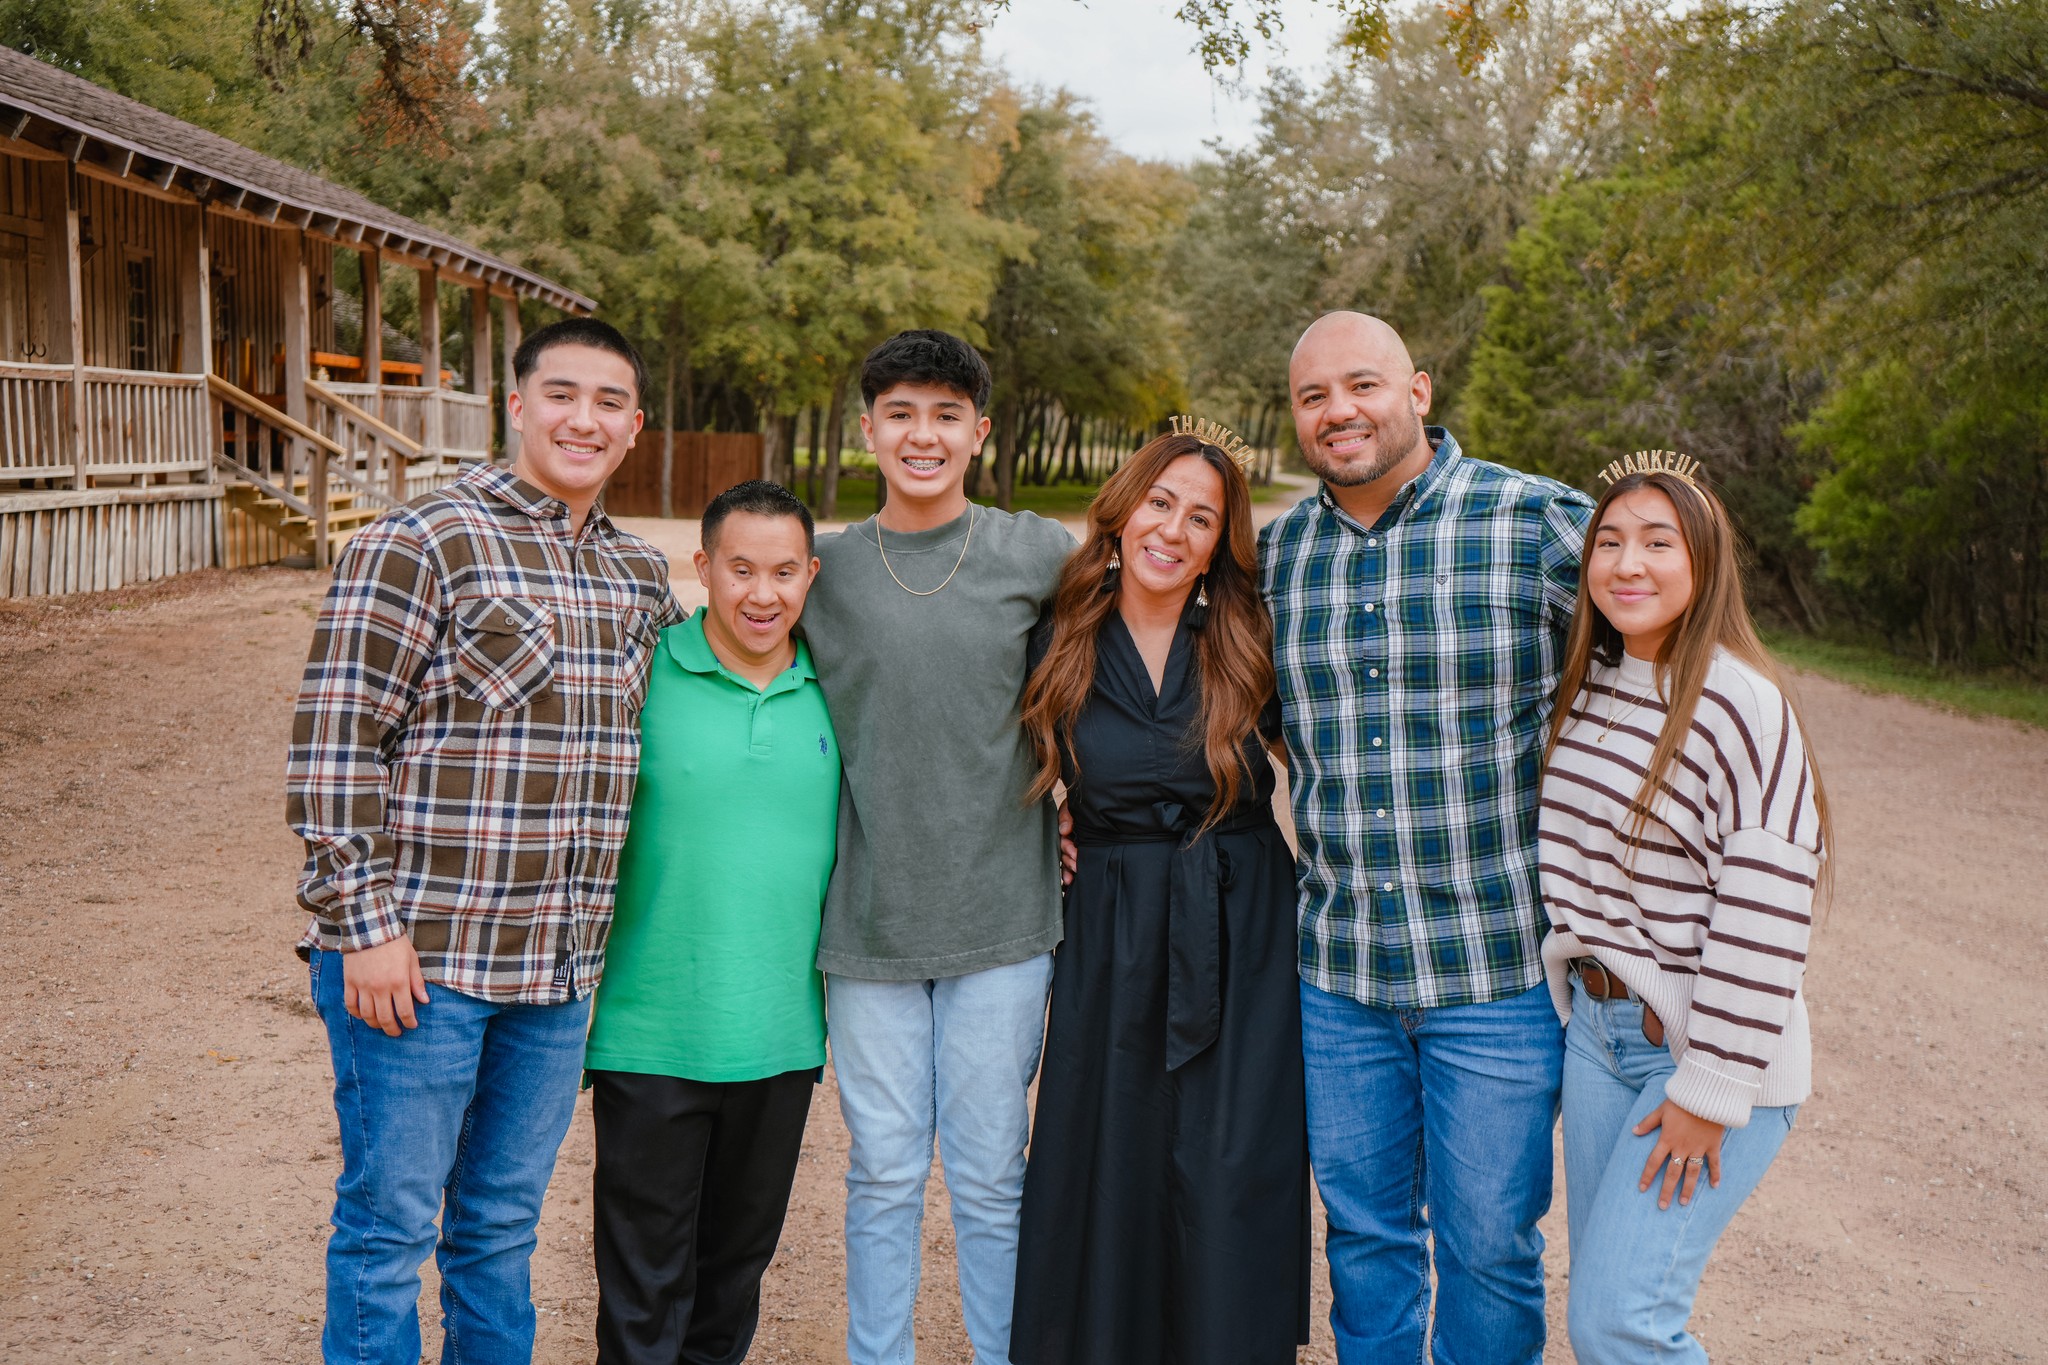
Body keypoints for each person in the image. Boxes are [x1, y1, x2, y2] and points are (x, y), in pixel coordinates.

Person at [287, 317, 678, 1364]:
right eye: (561, 394)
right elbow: (334, 742)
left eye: (608, 403)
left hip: (555, 979)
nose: (582, 419)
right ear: (517, 404)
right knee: (387, 1229)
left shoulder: (639, 581)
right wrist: (363, 926)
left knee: (499, 1232)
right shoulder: (421, 539)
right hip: (420, 969)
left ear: (633, 427)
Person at [1259, 311, 1593, 1363]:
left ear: (1419, 392)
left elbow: (1663, 667)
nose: (1337, 412)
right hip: (1336, 973)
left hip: (1493, 972)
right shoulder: (1272, 561)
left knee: (1490, 1242)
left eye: (1360, 385)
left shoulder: (1538, 523)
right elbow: (1228, 721)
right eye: (1312, 397)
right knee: (1361, 1239)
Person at [798, 329, 1075, 1365]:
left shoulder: (1035, 553)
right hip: (864, 916)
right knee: (879, 1170)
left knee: (990, 1172)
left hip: (1001, 915)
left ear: (979, 432)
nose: (923, 435)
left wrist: (1082, 798)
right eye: (901, 414)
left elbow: (1122, 657)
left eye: (945, 415)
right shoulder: (818, 566)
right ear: (866, 429)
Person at [1009, 422, 1311, 1365]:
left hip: (1240, 911)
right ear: (1125, 507)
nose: (1173, 530)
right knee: (1109, 1150)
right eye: (1161, 502)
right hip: (1103, 914)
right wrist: (1042, 831)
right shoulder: (1056, 634)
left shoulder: (1249, 637)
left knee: (1231, 1159)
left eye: (1203, 518)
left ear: (1223, 543)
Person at [1537, 452, 1829, 1362]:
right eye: (1610, 542)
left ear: (1704, 564)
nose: (1629, 564)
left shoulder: (1742, 702)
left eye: (1658, 542)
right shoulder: (1591, 689)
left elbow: (1768, 911)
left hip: (1698, 1053)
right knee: (1607, 1305)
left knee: (1622, 1321)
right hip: (1598, 1035)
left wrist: (1708, 1088)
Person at [583, 480, 837, 1365]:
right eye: (739, 569)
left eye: (782, 571)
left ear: (811, 575)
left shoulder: (837, 688)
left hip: (781, 1035)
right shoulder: (641, 674)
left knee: (732, 1280)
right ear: (703, 568)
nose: (760, 594)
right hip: (650, 1034)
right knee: (644, 1285)